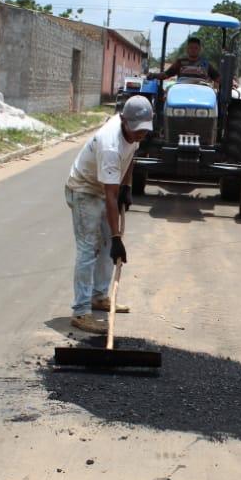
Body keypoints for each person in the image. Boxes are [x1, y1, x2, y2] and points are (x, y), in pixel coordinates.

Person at [64, 95, 153, 334]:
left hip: (104, 187)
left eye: (144, 132)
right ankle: (81, 312)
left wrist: (127, 186)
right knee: (89, 247)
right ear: (124, 120)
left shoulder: (137, 131)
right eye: (136, 131)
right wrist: (116, 238)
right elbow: (109, 196)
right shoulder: (109, 143)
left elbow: (131, 156)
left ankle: (99, 296)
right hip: (84, 189)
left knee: (105, 247)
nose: (140, 136)